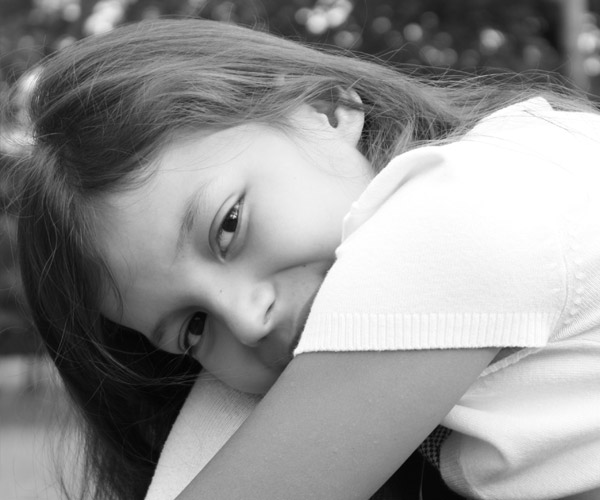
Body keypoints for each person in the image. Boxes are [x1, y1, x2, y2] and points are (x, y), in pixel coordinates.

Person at [7, 18, 600, 500]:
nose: (246, 320)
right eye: (193, 328)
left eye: (229, 226)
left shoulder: (470, 204)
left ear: (328, 111)